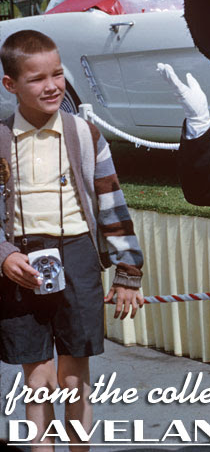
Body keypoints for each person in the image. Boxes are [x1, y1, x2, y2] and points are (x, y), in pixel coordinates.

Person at [0, 30, 144, 451]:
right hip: (20, 261)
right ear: (10, 85)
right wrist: (4, 255)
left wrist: (128, 272)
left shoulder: (84, 134)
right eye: (37, 78)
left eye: (57, 74)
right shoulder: (2, 139)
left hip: (77, 253)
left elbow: (112, 204)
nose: (52, 86)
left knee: (74, 377)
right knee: (38, 378)